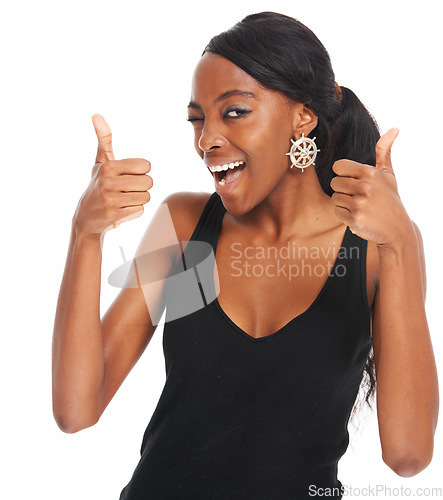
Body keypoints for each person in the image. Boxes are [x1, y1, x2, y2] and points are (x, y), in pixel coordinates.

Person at [51, 11, 438, 499]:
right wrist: (85, 233)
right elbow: (77, 409)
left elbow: (408, 454)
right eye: (198, 119)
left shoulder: (378, 249)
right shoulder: (188, 228)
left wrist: (400, 241)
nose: (206, 139)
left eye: (234, 112)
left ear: (303, 116)